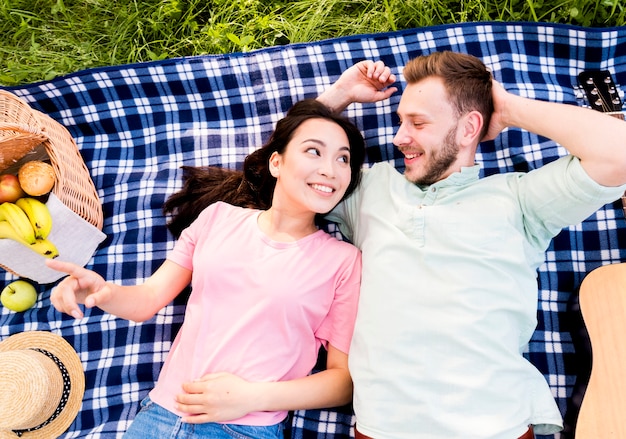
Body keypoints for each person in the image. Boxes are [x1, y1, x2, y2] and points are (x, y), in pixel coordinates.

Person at [316, 51, 626, 439]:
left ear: (468, 129)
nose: (399, 138)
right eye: (400, 121)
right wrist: (339, 95)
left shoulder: (520, 200)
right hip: (386, 429)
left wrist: (509, 108)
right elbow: (281, 171)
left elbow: (621, 153)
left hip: (495, 427)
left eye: (417, 123)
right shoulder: (370, 190)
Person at [46, 99, 365, 439]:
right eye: (314, 151)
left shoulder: (343, 261)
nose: (331, 169)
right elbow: (148, 298)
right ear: (276, 162)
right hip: (158, 417)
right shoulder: (218, 217)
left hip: (244, 429)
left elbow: (342, 382)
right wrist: (103, 292)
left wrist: (252, 397)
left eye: (343, 159)